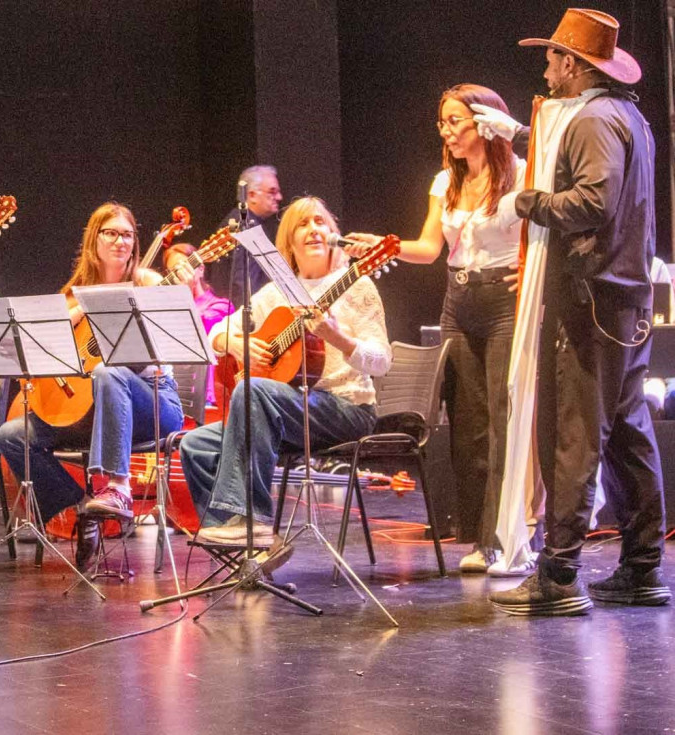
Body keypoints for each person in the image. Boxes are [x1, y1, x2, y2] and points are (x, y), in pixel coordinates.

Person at [485, 8, 669, 615]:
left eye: (552, 57)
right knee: (627, 434)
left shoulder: (592, 120)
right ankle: (642, 568)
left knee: (574, 434)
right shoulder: (630, 118)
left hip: (591, 300)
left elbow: (590, 202)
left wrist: (529, 200)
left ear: (572, 64)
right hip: (625, 298)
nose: (545, 66)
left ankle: (559, 572)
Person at [346, 84, 531, 576]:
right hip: (459, 300)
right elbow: (429, 248)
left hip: (504, 302)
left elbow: (544, 234)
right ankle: (478, 538)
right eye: (442, 123)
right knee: (467, 424)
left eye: (456, 121)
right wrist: (384, 247)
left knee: (501, 418)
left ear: (486, 124)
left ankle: (508, 538)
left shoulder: (521, 176)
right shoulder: (444, 181)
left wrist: (531, 268)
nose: (447, 132)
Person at [181, 196, 391, 545]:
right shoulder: (275, 294)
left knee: (255, 391)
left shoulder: (356, 284)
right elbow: (215, 331)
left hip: (346, 408)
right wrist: (232, 343)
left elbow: (382, 361)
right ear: (289, 242)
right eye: (302, 225)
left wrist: (336, 337)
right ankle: (240, 548)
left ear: (334, 235)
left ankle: (252, 522)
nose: (313, 230)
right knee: (195, 444)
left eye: (321, 222)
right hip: (293, 409)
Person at [0, 202, 188, 569]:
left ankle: (116, 487)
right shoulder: (72, 294)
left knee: (109, 373)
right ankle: (81, 510)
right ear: (93, 240)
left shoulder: (146, 282)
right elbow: (44, 354)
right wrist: (81, 310)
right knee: (9, 435)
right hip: (91, 410)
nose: (121, 241)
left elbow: (163, 345)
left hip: (152, 403)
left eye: (128, 234)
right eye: (111, 233)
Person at [162, 242, 233, 405]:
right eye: (172, 272)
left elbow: (199, 335)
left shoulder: (221, 307)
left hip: (203, 398)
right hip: (169, 392)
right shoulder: (167, 309)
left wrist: (184, 296)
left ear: (200, 268)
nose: (178, 275)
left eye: (181, 268)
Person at [218, 165, 283, 307]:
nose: (279, 197)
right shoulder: (243, 226)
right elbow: (243, 283)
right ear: (252, 195)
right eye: (272, 192)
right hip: (244, 319)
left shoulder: (248, 222)